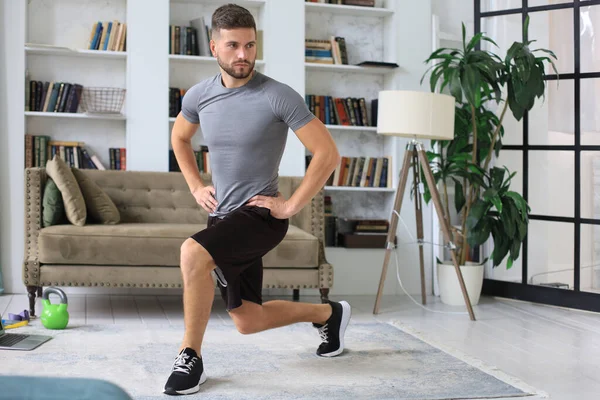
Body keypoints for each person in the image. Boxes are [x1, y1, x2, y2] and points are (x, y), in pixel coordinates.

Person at [163, 4, 352, 396]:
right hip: (224, 218)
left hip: (260, 216)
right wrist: (196, 185)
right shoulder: (200, 95)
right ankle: (328, 314)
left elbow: (328, 154)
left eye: (250, 45)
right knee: (248, 319)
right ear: (214, 46)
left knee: (192, 253)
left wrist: (290, 206)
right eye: (233, 45)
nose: (243, 55)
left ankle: (189, 357)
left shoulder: (277, 96)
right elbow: (179, 138)